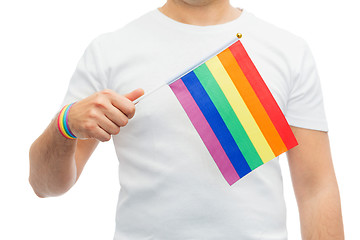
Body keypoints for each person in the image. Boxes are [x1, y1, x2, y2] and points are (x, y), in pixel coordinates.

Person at [29, 0, 344, 239]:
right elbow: (46, 186)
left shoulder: (288, 50)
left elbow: (317, 188)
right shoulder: (109, 50)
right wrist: (64, 126)